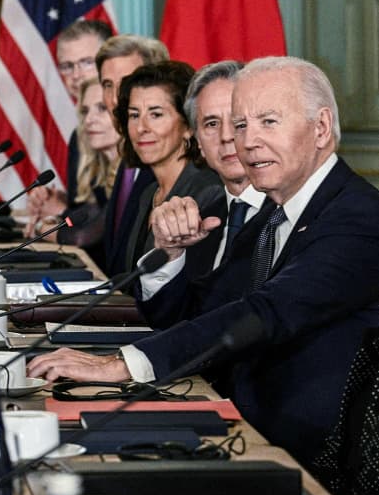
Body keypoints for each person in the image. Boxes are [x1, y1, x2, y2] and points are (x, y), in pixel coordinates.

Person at [29, 57, 379, 467]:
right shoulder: (272, 214)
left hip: (311, 458)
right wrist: (170, 255)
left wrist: (121, 364)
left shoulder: (359, 216)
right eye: (241, 124)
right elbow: (198, 313)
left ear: (320, 128)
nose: (245, 141)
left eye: (268, 122)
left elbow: (267, 313)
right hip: (237, 426)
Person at [137, 61, 265, 323]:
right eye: (211, 123)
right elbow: (170, 320)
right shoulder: (203, 219)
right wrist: (169, 254)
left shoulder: (287, 214)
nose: (226, 136)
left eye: (237, 121)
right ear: (198, 143)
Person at [113, 60, 222, 273]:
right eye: (134, 115)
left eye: (156, 114)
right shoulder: (148, 193)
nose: (141, 128)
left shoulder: (208, 192)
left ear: (188, 126)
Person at [94, 35, 170, 275]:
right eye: (107, 85)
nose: (115, 99)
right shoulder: (128, 155)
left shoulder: (166, 162)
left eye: (127, 83)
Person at [25, 19, 112, 224]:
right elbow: (93, 206)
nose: (76, 75)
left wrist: (62, 212)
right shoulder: (80, 134)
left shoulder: (125, 127)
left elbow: (118, 222)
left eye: (87, 62)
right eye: (67, 66)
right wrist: (61, 202)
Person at [49, 77, 121, 265]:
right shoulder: (102, 168)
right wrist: (56, 213)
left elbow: (82, 237)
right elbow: (90, 213)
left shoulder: (133, 171)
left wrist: (43, 229)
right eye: (85, 111)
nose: (89, 120)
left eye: (102, 108)